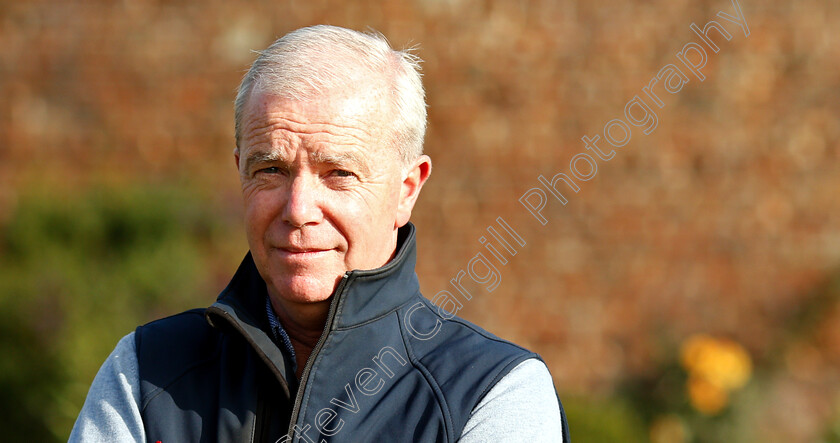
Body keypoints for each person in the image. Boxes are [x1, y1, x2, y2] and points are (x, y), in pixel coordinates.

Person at [69, 25, 569, 442]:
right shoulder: (144, 375)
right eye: (271, 170)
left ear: (406, 189)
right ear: (240, 171)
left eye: (339, 173)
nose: (299, 209)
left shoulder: (492, 394)